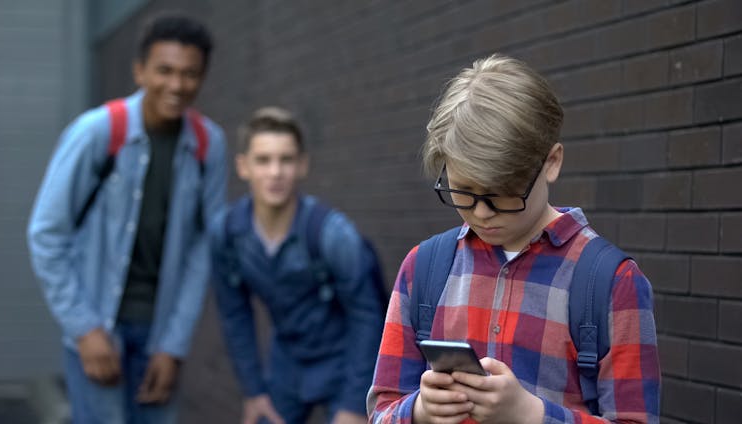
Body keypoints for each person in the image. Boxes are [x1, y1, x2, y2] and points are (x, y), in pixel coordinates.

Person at [367, 54, 660, 423]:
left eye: (502, 192)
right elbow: (381, 412)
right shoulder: (423, 268)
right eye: (464, 191)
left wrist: (532, 415)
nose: (482, 212)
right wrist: (420, 411)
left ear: (551, 162)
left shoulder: (611, 283)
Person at [27, 13, 227, 424]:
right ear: (140, 70)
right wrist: (84, 329)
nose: (176, 85)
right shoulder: (96, 133)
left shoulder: (210, 144)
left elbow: (204, 249)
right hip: (98, 332)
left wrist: (174, 345)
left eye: (190, 74)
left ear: (203, 77)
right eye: (164, 71)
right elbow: (47, 235)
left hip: (160, 337)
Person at [211, 107, 384, 424]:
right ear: (243, 166)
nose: (275, 172)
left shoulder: (333, 234)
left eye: (286, 160)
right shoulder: (227, 234)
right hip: (287, 362)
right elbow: (234, 314)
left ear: (302, 165)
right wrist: (253, 391)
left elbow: (369, 315)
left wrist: (355, 403)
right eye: (263, 160)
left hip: (345, 360)